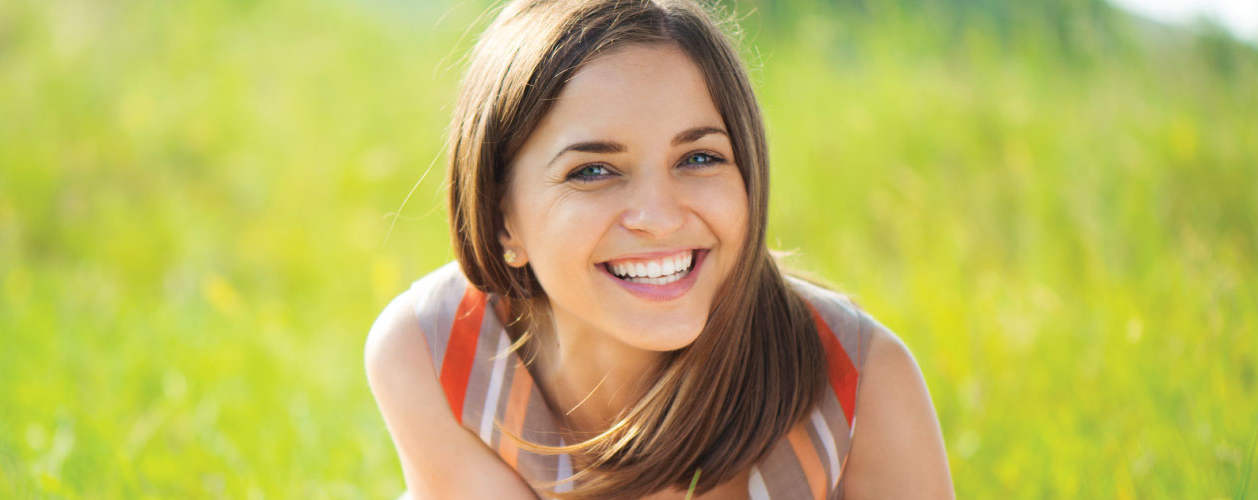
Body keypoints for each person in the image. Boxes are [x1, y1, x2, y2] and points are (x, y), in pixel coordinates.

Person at [363, 0, 954, 498]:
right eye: (593, 170)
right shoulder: (434, 351)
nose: (659, 217)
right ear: (501, 223)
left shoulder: (861, 383)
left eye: (699, 158)